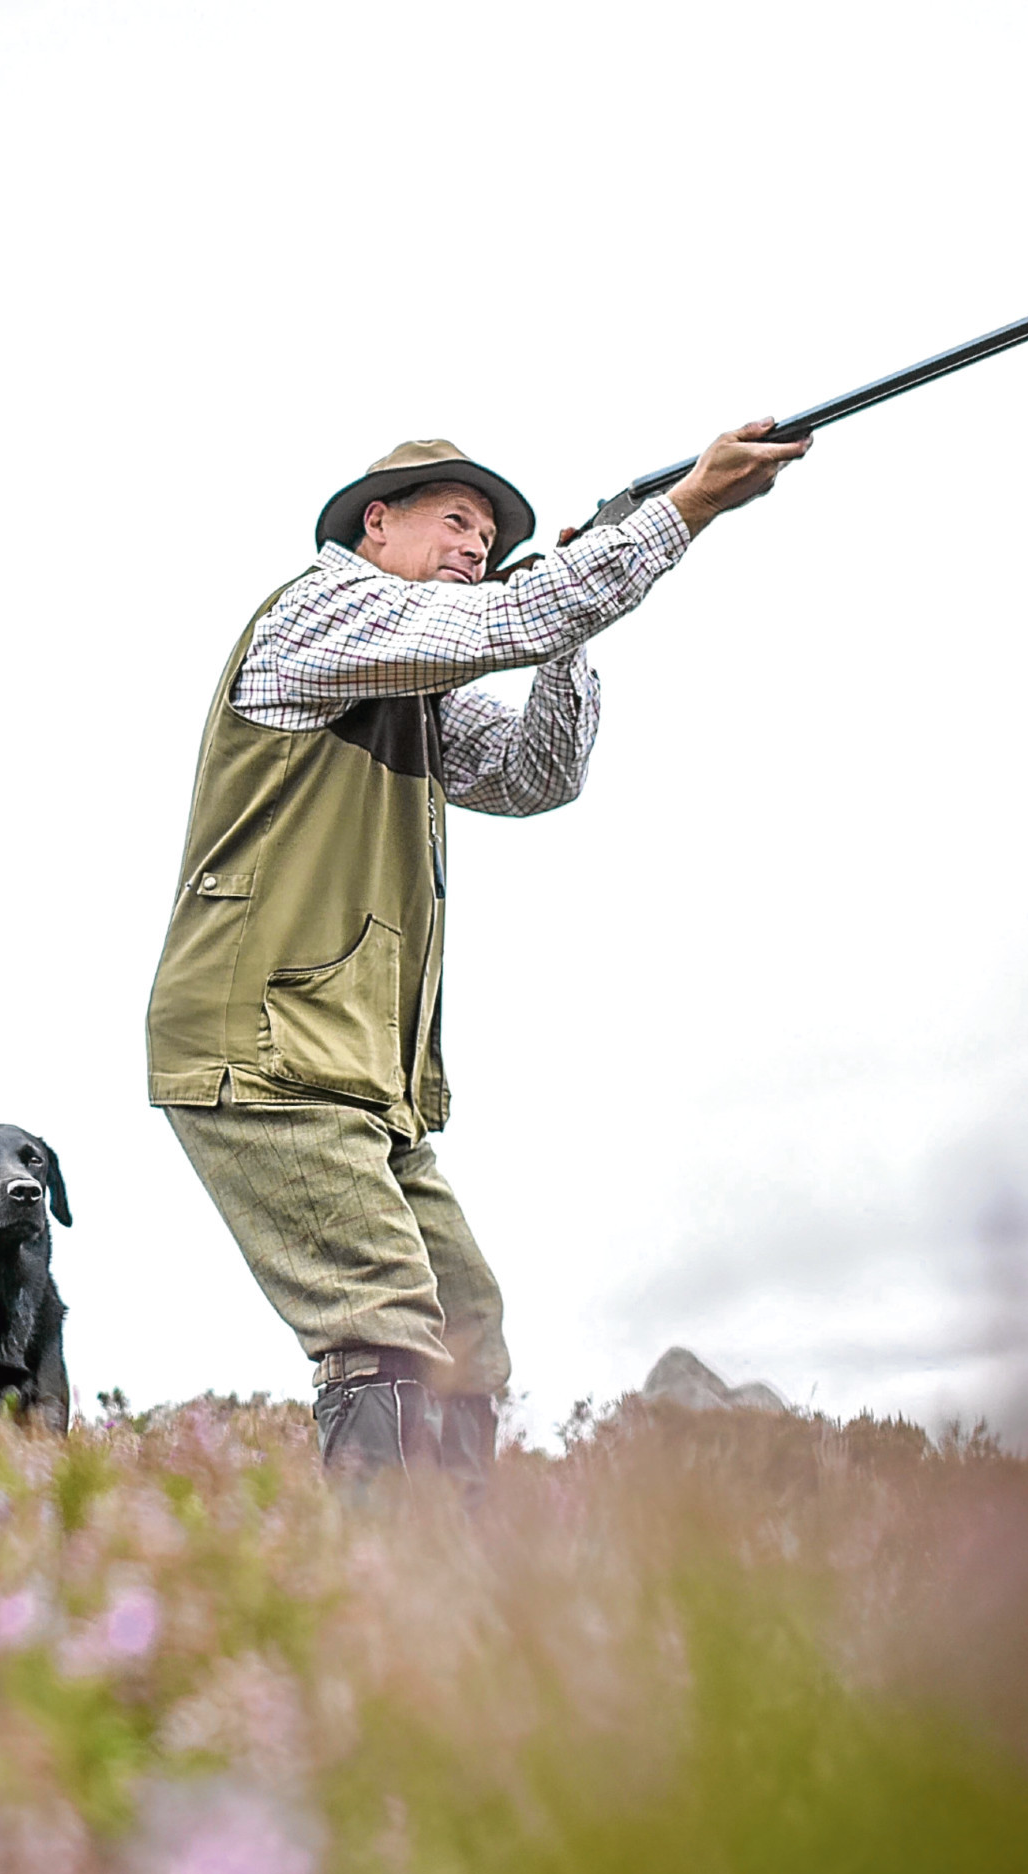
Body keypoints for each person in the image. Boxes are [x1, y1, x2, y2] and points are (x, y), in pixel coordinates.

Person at [145, 422, 807, 1489]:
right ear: (378, 523)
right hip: (263, 1052)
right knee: (389, 1327)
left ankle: (456, 1584)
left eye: (492, 534)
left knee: (465, 1327)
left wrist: (571, 618)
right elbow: (510, 614)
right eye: (456, 518)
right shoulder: (319, 609)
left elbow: (540, 772)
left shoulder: (412, 688)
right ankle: (395, 1604)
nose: (477, 543)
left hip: (356, 1073)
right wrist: (685, 509)